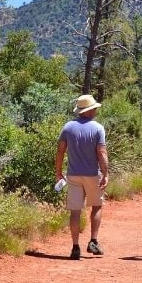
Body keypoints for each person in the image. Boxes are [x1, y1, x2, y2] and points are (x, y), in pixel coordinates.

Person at [55, 94, 109, 260]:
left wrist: (58, 172)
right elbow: (101, 152)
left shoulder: (68, 127)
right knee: (96, 206)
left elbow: (60, 151)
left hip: (73, 175)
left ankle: (75, 247)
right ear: (90, 110)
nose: (96, 110)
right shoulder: (98, 128)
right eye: (94, 108)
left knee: (75, 211)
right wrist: (105, 173)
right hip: (92, 174)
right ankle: (93, 241)